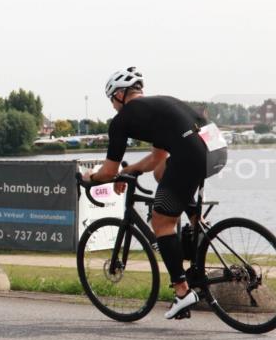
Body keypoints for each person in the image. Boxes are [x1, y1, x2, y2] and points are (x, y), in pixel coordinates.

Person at [82, 67, 220, 320]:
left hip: (192, 155)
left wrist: (90, 178)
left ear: (120, 94)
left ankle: (182, 292)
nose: (113, 106)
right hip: (216, 149)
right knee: (161, 173)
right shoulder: (158, 106)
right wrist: (129, 171)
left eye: (112, 100)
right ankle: (196, 220)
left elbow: (108, 171)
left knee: (161, 222)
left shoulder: (122, 120)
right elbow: (158, 158)